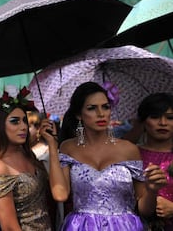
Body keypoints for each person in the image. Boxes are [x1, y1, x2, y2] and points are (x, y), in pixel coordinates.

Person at [46, 81, 167, 230]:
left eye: (105, 107)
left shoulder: (129, 149)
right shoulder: (68, 147)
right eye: (92, 108)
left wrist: (152, 190)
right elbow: (60, 194)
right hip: (81, 227)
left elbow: (144, 209)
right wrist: (52, 147)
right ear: (79, 114)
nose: (101, 114)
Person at [0, 86, 53, 230]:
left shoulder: (28, 155)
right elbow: (9, 226)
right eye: (15, 121)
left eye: (24, 120)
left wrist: (52, 144)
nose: (23, 126)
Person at [134, 93, 173, 230]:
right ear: (144, 121)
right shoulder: (131, 154)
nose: (163, 123)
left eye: (170, 118)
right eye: (155, 117)